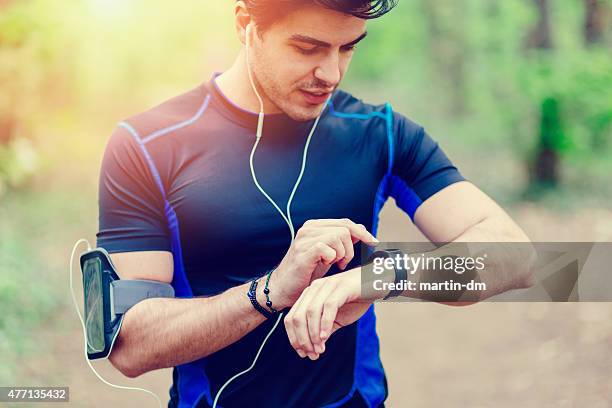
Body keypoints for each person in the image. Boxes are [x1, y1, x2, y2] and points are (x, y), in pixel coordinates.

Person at [96, 1, 533, 407]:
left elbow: (515, 258)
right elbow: (130, 345)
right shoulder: (148, 146)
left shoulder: (380, 133)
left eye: (348, 48)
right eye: (308, 48)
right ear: (246, 25)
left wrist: (383, 275)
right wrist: (267, 292)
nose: (331, 73)